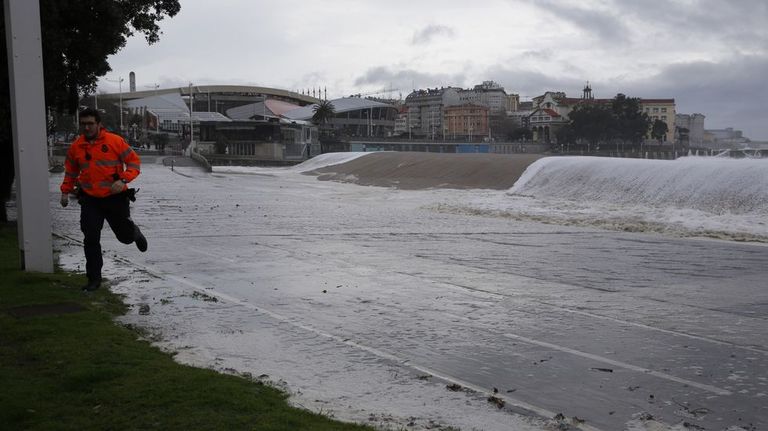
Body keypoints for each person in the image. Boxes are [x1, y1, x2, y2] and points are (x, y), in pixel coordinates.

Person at [60, 108, 148, 291]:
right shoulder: (76, 146)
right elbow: (71, 171)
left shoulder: (114, 141)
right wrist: (65, 191)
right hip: (90, 199)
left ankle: (135, 233)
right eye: (83, 124)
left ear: (99, 124)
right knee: (90, 237)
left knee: (124, 237)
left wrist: (123, 179)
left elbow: (134, 162)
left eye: (90, 123)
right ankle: (94, 279)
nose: (87, 127)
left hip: (115, 197)